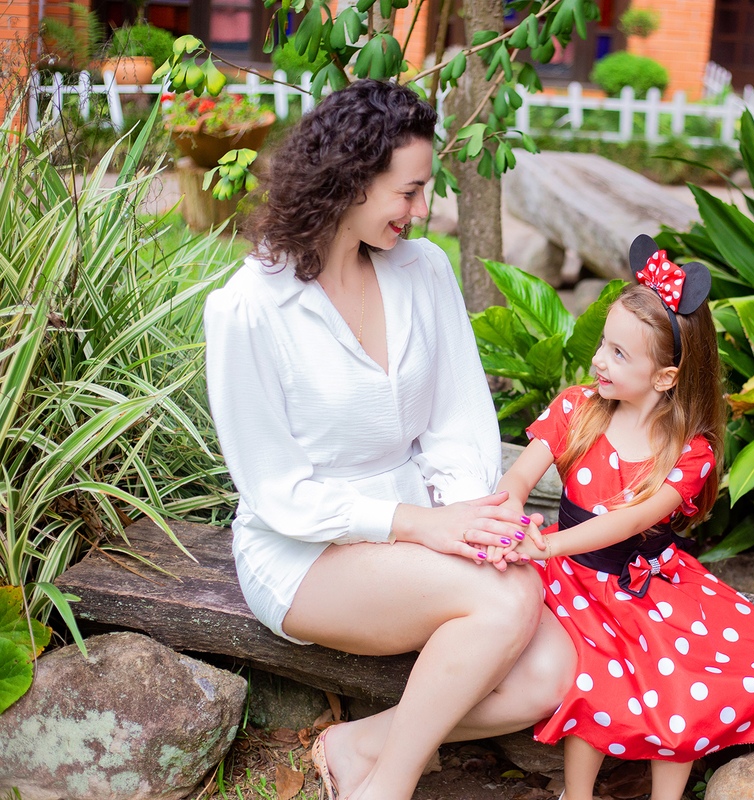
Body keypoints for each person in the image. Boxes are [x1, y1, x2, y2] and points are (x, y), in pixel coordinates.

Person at [202, 80, 575, 800]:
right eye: (408, 192)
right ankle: (389, 787)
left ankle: (358, 745)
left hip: (417, 522)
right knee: (505, 606)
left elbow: (458, 422)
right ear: (348, 182)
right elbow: (278, 492)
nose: (421, 209)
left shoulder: (424, 270)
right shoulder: (249, 308)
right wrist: (422, 527)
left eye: (424, 189)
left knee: (549, 674)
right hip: (305, 548)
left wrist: (476, 522)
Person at [493, 235, 754, 800]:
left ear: (665, 378)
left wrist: (548, 546)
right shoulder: (577, 407)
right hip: (570, 580)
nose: (598, 360)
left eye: (618, 354)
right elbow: (521, 473)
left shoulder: (689, 453)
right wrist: (512, 501)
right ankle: (575, 796)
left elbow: (627, 522)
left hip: (641, 582)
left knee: (680, 681)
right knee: (593, 674)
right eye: (604, 344)